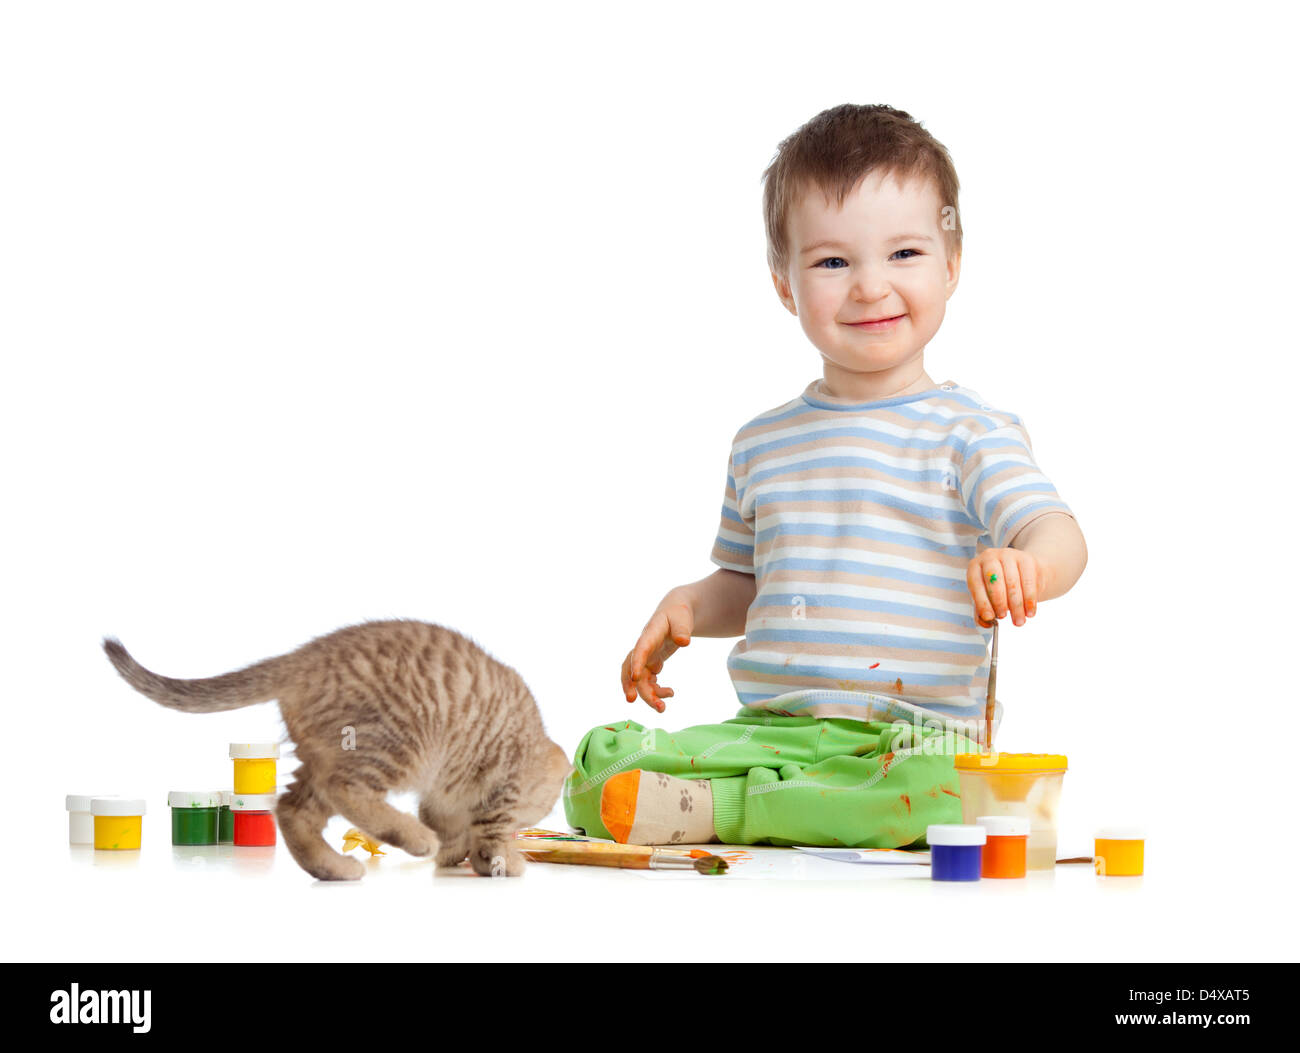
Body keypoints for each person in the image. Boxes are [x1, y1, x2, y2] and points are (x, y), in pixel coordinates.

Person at [563, 103, 1087, 848]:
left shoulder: (968, 434)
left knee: (951, 795)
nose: (871, 286)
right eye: (834, 262)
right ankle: (770, 800)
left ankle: (732, 814)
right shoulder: (762, 444)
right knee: (597, 768)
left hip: (909, 744)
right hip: (770, 736)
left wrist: (1028, 561)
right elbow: (750, 587)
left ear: (953, 263)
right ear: (784, 282)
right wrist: (687, 603)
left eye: (904, 254)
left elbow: (1058, 533)